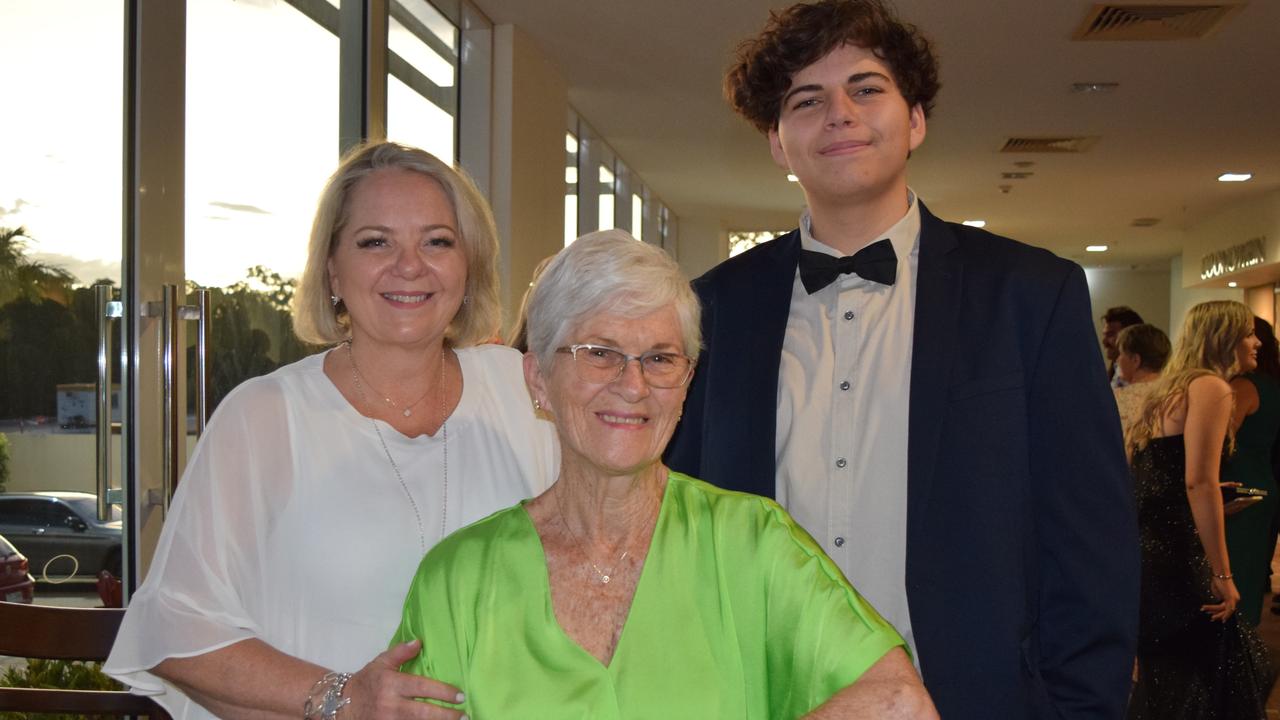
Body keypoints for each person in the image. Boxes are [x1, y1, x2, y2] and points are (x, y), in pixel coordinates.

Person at [663, 1, 1138, 717]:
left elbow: (1091, 540)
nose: (839, 113)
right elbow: (678, 523)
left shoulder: (1030, 296)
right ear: (777, 140)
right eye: (807, 99)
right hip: (762, 696)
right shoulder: (712, 310)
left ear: (915, 119)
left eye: (866, 88)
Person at [393, 230, 938, 719]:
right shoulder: (459, 580)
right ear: (538, 379)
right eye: (600, 353)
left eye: (659, 359)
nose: (633, 385)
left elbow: (899, 702)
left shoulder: (752, 544)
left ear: (686, 382)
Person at [104, 141, 558, 719]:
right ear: (333, 271)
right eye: (376, 242)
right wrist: (344, 698)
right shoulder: (266, 416)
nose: (410, 265)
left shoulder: (523, 393)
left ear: (469, 266)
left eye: (437, 241)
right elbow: (173, 628)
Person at [1125, 300, 1271, 719]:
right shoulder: (1210, 387)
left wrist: (1205, 498)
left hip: (1152, 552)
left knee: (1174, 676)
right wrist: (1223, 574)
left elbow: (1150, 481)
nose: (1256, 341)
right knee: (1211, 673)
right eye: (1247, 332)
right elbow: (1198, 481)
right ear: (1224, 338)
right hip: (1175, 557)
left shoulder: (1168, 390)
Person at [1224, 316, 1280, 626]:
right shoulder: (1270, 383)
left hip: (1242, 488)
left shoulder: (1244, 385)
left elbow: (1221, 441)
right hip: (1261, 482)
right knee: (1251, 570)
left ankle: (1236, 659)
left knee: (1236, 573)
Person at [1113, 323, 1172, 432]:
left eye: (1121, 354)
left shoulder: (1116, 399)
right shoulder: (1176, 395)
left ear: (1135, 360)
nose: (1117, 360)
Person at [1103, 306, 1146, 386]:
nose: (1104, 342)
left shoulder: (1144, 380)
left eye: (1111, 334)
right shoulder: (1111, 373)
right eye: (1104, 335)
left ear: (1131, 336)